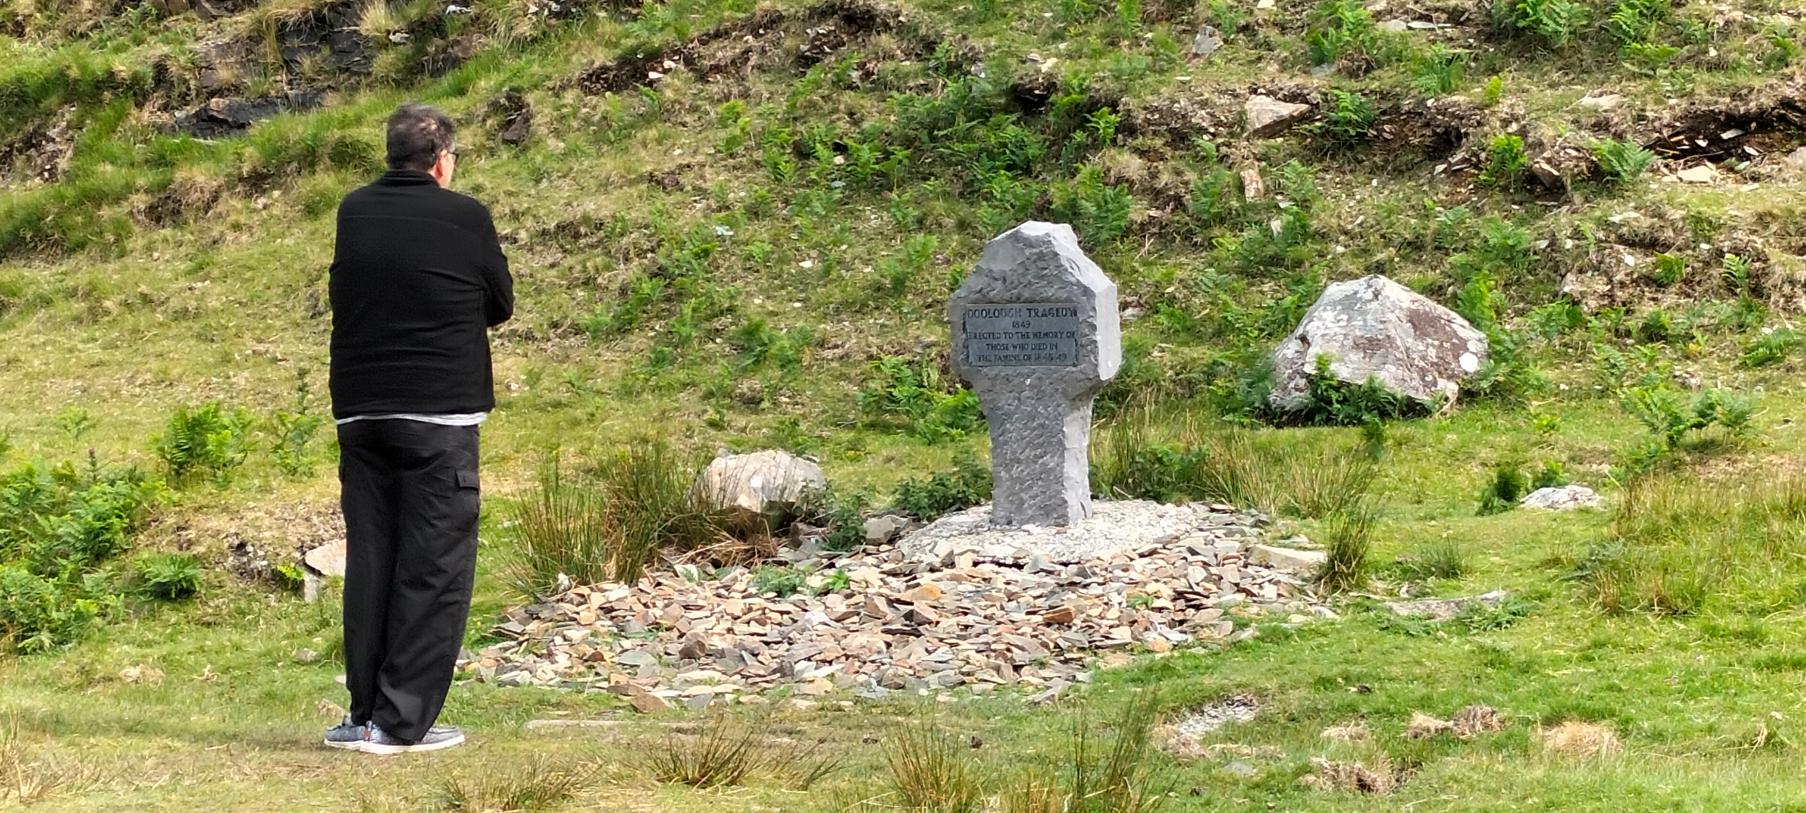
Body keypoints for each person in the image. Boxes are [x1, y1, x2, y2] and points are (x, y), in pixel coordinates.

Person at [322, 103, 513, 755]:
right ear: (441, 160)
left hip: (360, 413)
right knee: (431, 565)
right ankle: (399, 724)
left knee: (373, 561)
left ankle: (363, 714)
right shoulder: (467, 216)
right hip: (439, 415)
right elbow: (501, 303)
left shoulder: (354, 210)